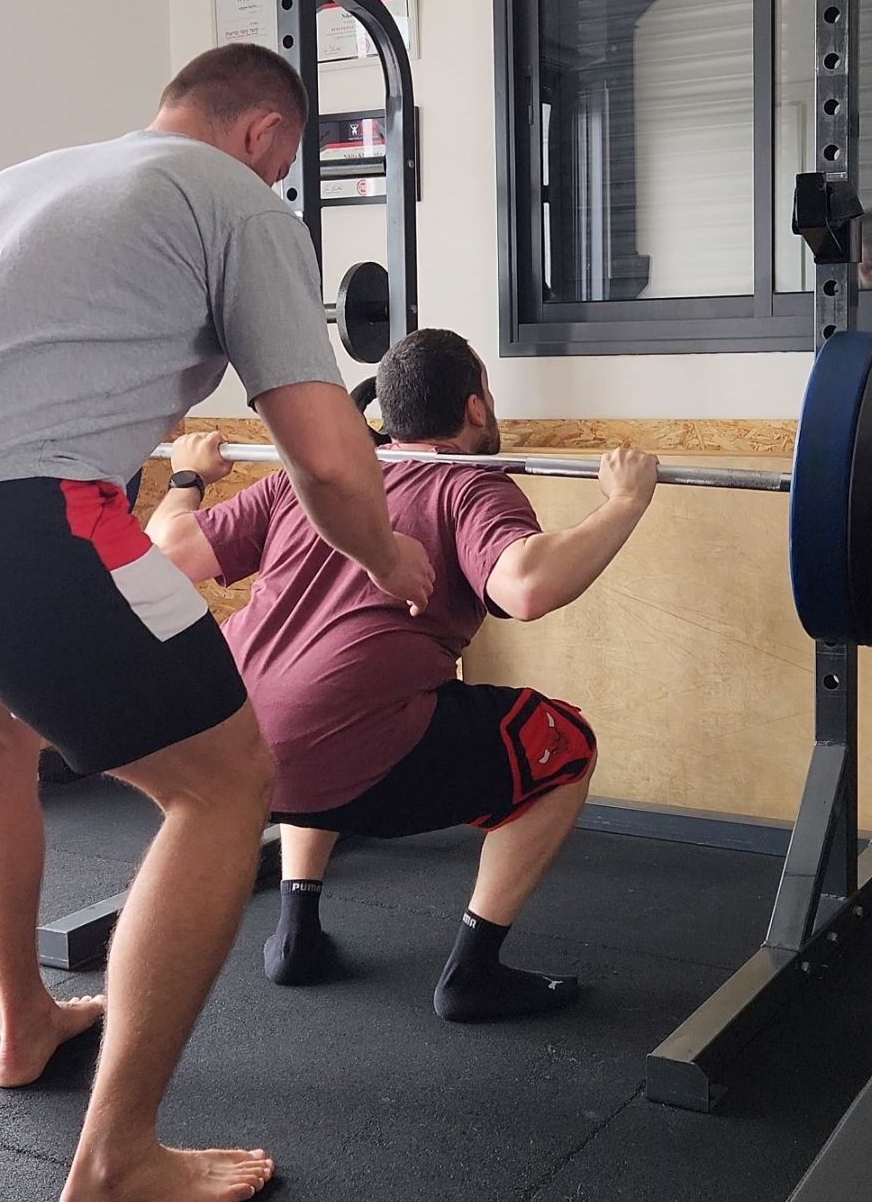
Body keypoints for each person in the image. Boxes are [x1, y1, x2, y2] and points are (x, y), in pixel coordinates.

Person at [0, 44, 434, 1202]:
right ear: (265, 134)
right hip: (21, 507)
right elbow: (327, 457)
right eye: (285, 162)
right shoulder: (234, 202)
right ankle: (116, 1171)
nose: (279, 179)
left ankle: (24, 1024)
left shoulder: (22, 184)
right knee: (224, 785)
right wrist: (385, 558)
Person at [147, 328, 658, 1023]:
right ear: (475, 406)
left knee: (331, 700)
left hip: (232, 747)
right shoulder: (470, 485)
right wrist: (625, 501)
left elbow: (169, 552)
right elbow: (527, 588)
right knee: (564, 745)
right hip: (335, 751)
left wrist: (187, 478)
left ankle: (296, 934)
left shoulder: (311, 480)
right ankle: (474, 973)